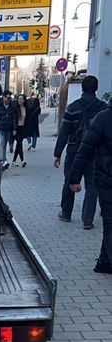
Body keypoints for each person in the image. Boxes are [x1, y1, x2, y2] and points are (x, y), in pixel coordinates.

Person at [53, 75, 107, 228]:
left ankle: (66, 213)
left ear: (82, 88)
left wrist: (57, 153)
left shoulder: (73, 107)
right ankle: (87, 220)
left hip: (74, 150)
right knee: (92, 185)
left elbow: (64, 132)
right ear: (96, 89)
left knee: (70, 180)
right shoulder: (103, 109)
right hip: (95, 152)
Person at [69, 98, 112, 273]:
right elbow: (85, 149)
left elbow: (84, 149)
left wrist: (74, 178)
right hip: (106, 179)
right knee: (110, 223)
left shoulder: (102, 118)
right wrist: (74, 178)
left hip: (105, 178)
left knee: (110, 222)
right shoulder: (103, 117)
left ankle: (104, 262)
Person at [0, 90, 17, 168]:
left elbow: (14, 119)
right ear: (4, 97)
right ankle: (4, 160)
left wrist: (14, 129)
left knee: (4, 145)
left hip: (8, 129)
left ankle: (2, 160)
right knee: (2, 144)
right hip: (0, 129)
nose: (9, 100)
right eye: (8, 98)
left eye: (10, 98)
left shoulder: (11, 108)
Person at [12, 93, 28, 167]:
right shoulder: (15, 108)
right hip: (17, 128)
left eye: (21, 99)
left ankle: (14, 161)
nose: (19, 100)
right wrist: (14, 129)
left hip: (23, 128)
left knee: (19, 145)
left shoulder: (26, 108)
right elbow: (14, 120)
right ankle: (22, 161)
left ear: (24, 100)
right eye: (18, 99)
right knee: (19, 144)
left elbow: (28, 119)